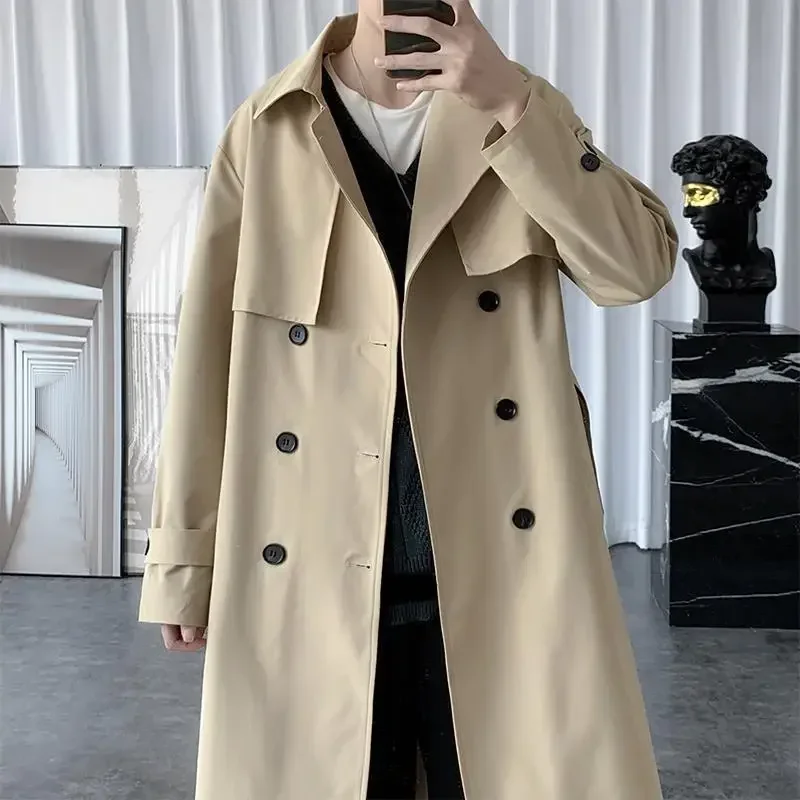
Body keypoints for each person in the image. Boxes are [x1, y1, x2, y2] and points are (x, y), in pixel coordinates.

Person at [138, 1, 678, 798]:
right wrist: (185, 555)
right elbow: (206, 353)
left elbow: (636, 269)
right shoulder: (270, 127)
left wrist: (512, 101)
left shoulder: (517, 109)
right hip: (311, 574)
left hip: (505, 573)